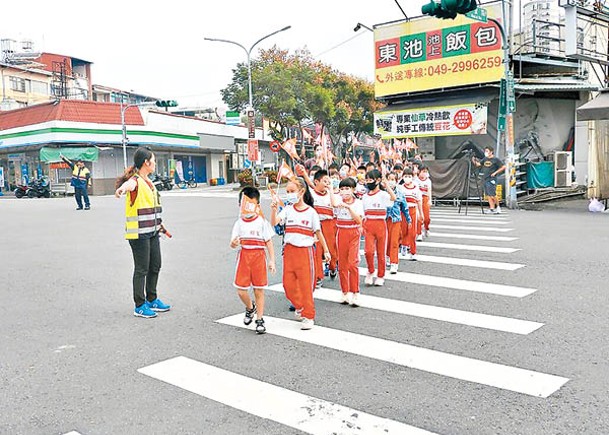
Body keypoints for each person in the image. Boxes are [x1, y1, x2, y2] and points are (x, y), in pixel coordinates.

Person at [115, 147, 171, 318]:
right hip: (138, 234)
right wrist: (122, 189)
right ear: (146, 162)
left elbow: (152, 208)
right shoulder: (136, 181)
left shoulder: (149, 182)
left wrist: (160, 225)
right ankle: (139, 305)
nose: (154, 163)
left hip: (153, 232)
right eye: (153, 160)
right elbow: (129, 185)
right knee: (142, 269)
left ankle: (152, 299)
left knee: (155, 265)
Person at [271, 177, 330, 330]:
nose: (289, 194)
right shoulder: (287, 210)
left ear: (301, 192)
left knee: (306, 285)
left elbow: (319, 233)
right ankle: (300, 306)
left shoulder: (311, 212)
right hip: (290, 251)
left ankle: (309, 316)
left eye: (292, 191)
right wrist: (273, 208)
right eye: (287, 192)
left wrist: (327, 251)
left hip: (305, 252)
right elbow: (275, 222)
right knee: (288, 285)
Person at [230, 187, 276, 334]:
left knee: (259, 290)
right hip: (244, 257)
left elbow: (268, 242)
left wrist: (271, 260)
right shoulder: (239, 223)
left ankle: (260, 319)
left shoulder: (262, 222)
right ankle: (250, 307)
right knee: (241, 291)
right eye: (245, 204)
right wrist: (234, 243)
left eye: (251, 204)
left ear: (257, 206)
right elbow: (232, 242)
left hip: (258, 258)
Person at [362, 169, 396, 286]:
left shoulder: (383, 194)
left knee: (381, 253)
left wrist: (386, 185)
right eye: (366, 180)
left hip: (381, 225)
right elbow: (362, 213)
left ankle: (381, 275)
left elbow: (393, 198)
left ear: (377, 180)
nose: (368, 182)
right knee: (368, 252)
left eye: (370, 180)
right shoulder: (364, 196)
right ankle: (370, 271)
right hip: (368, 225)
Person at [334, 177, 364, 306]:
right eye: (342, 189)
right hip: (341, 233)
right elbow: (332, 205)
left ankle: (355, 292)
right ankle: (345, 292)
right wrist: (331, 189)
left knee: (352, 263)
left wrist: (348, 208)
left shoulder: (358, 203)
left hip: (353, 233)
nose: (344, 192)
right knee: (342, 265)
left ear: (353, 190)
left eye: (347, 189)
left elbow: (359, 221)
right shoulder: (337, 202)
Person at [310, 170, 339, 285]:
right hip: (315, 225)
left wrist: (331, 189)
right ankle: (318, 277)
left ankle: (333, 267)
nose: (327, 183)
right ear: (316, 182)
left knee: (331, 250)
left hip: (328, 224)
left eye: (328, 181)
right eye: (324, 181)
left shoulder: (331, 195)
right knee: (317, 250)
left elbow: (334, 204)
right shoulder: (311, 194)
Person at [385, 172, 410, 274]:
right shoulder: (382, 193)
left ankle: (394, 263)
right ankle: (387, 256)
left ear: (396, 181)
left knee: (394, 242)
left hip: (396, 220)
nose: (391, 181)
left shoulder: (400, 194)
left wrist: (409, 220)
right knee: (387, 241)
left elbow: (405, 208)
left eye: (393, 179)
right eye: (389, 179)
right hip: (385, 220)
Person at [473, 146, 506, 214]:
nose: (486, 153)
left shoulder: (495, 159)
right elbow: (478, 164)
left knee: (492, 195)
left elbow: (503, 167)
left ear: (491, 152)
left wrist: (495, 173)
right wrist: (473, 160)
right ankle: (491, 208)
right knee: (488, 195)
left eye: (487, 151)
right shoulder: (485, 159)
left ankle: (498, 207)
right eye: (485, 151)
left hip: (492, 179)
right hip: (485, 178)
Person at [401, 168, 423, 261]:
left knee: (412, 233)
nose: (407, 178)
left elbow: (419, 201)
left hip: (413, 211)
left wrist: (421, 214)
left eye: (409, 176)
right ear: (403, 177)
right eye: (405, 176)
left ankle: (413, 253)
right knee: (403, 231)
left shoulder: (416, 189)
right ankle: (404, 245)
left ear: (412, 177)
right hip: (403, 211)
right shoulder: (401, 188)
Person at [417, 166, 433, 238]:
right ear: (419, 172)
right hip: (418, 199)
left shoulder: (428, 181)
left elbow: (429, 191)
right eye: (423, 171)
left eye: (426, 172)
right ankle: (419, 233)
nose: (424, 173)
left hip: (425, 198)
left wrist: (430, 200)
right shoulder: (416, 180)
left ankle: (426, 228)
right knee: (419, 216)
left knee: (426, 218)